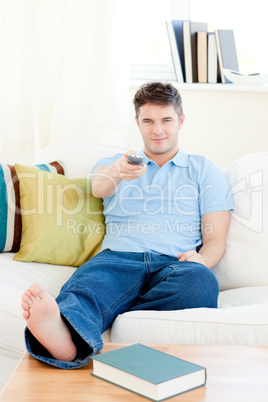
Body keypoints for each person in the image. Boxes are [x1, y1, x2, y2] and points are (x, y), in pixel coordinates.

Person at [21, 82, 233, 368]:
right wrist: (117, 172)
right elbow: (99, 188)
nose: (157, 130)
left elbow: (216, 239)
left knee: (201, 282)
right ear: (137, 123)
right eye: (148, 121)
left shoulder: (204, 170)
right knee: (87, 287)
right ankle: (65, 340)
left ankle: (96, 319)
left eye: (166, 120)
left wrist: (202, 260)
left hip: (175, 264)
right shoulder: (113, 164)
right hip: (118, 259)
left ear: (180, 121)